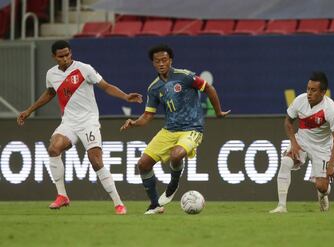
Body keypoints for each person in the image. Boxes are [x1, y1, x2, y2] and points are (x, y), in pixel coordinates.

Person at [17, 40, 143, 215]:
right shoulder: (51, 74)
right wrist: (29, 110)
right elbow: (50, 93)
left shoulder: (84, 69)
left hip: (88, 122)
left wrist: (125, 97)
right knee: (53, 149)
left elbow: (105, 86)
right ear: (54, 57)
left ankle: (118, 203)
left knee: (96, 161)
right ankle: (62, 196)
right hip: (68, 122)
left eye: (68, 54)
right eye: (61, 56)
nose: (66, 58)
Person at [120, 44, 230, 214]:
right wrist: (134, 123)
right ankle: (155, 205)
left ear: (170, 60)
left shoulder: (185, 76)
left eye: (165, 60)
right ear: (153, 64)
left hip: (192, 128)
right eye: (158, 61)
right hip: (169, 130)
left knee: (176, 154)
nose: (162, 63)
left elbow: (209, 88)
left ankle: (173, 183)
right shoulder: (154, 88)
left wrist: (218, 111)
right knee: (143, 164)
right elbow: (148, 115)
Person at [270, 71, 334, 213]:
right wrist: (294, 143)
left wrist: (332, 165)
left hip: (322, 147)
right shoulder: (300, 101)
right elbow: (288, 122)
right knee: (285, 162)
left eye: (313, 90)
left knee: (321, 186)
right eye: (308, 89)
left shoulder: (331, 109)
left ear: (323, 92)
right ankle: (281, 206)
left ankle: (323, 194)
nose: (309, 93)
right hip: (302, 140)